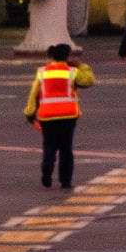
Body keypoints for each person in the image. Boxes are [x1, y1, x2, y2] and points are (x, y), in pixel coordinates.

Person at [23, 43, 91, 188]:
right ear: (67, 56)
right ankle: (65, 181)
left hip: (47, 116)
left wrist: (29, 113)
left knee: (49, 145)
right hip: (68, 115)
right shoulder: (72, 71)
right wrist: (81, 66)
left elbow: (34, 94)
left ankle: (47, 169)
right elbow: (88, 80)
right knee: (66, 149)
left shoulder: (42, 72)